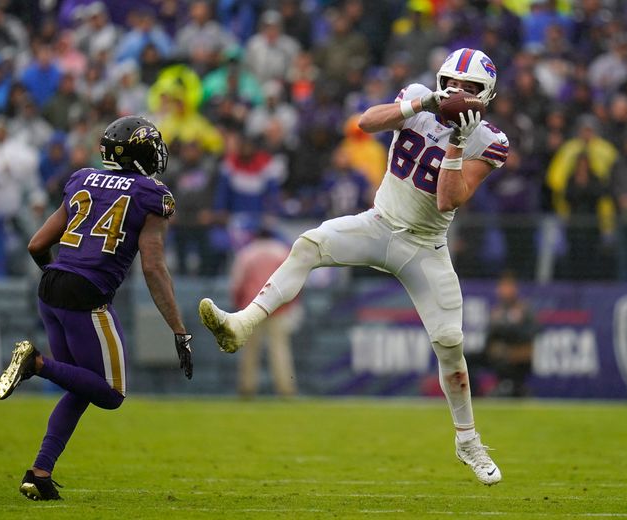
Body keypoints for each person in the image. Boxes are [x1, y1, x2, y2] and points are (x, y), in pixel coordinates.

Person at [200, 48, 508, 485]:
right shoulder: (421, 96)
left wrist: (457, 141)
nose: (457, 93)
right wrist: (424, 104)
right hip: (379, 223)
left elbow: (448, 199)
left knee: (450, 343)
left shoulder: (490, 140)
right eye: (452, 84)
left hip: (425, 247)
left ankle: (467, 441)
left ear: (486, 95)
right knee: (309, 245)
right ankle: (242, 324)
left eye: (469, 89)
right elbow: (365, 124)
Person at [0, 116, 194, 501]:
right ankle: (36, 364)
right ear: (139, 153)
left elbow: (37, 244)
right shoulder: (153, 195)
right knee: (112, 392)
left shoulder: (82, 179)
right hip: (85, 293)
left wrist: (61, 274)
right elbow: (153, 267)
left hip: (50, 285)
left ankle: (39, 473)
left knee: (79, 385)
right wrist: (179, 330)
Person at [231, 228, 299, 398]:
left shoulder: (247, 253)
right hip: (278, 306)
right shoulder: (282, 251)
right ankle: (285, 389)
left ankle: (247, 388)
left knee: (250, 350)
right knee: (279, 349)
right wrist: (292, 303)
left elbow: (237, 282)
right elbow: (294, 279)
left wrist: (238, 305)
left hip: (252, 306)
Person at [484, 272, 536, 397]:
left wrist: (512, 350)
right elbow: (489, 338)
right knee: (468, 358)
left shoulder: (524, 310)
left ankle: (513, 388)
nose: (504, 291)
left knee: (509, 358)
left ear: (515, 289)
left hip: (518, 353)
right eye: (502, 287)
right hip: (498, 353)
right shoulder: (497, 312)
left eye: (508, 287)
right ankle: (469, 395)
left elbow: (531, 333)